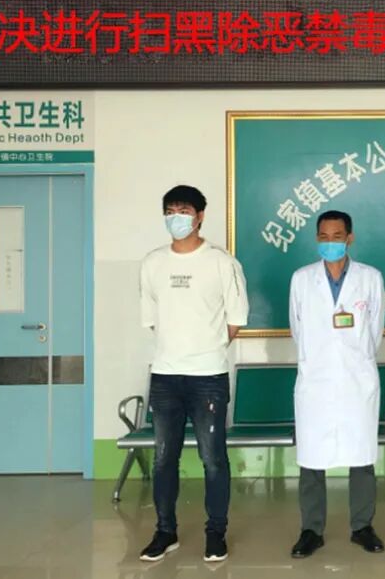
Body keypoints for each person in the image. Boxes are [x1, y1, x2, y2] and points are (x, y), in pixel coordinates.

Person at [138, 185, 249, 563]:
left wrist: (207, 348)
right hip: (165, 376)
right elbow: (153, 320)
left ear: (200, 216)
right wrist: (178, 349)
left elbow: (236, 318)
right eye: (170, 211)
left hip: (208, 378)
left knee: (213, 459)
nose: (176, 218)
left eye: (184, 211)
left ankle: (215, 533)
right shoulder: (152, 263)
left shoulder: (221, 262)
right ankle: (164, 531)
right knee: (163, 458)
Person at [288, 210, 385, 558]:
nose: (330, 242)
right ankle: (311, 530)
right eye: (324, 236)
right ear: (317, 238)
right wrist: (321, 358)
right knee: (311, 458)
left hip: (357, 379)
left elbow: (375, 330)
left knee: (362, 456)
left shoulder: (370, 278)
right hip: (315, 380)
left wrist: (353, 359)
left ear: (350, 238)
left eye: (337, 236)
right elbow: (297, 328)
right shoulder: (302, 279)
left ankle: (362, 526)